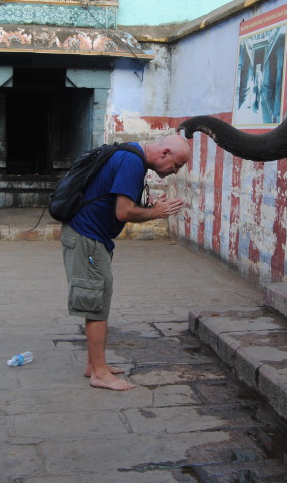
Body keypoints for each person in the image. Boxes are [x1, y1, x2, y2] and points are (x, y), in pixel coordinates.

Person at [61, 133, 191, 391]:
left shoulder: (129, 153)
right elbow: (123, 211)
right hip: (87, 238)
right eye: (176, 166)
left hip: (90, 237)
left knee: (98, 297)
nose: (174, 172)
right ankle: (99, 373)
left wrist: (151, 207)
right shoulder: (132, 162)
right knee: (95, 302)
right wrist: (156, 212)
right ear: (164, 153)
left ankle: (94, 364)